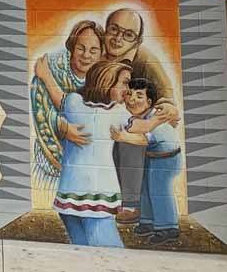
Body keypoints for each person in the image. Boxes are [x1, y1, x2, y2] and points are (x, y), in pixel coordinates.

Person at [101, 8, 178, 227]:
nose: (117, 39)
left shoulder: (145, 59)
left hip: (136, 126)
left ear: (138, 40)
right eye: (114, 30)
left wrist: (154, 118)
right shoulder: (95, 49)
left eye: (127, 35)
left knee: (129, 142)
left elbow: (167, 101)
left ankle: (132, 205)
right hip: (101, 118)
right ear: (105, 29)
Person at [52, 59, 133, 247]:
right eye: (125, 82)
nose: (128, 89)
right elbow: (143, 127)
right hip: (98, 194)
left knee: (82, 248)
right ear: (107, 80)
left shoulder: (72, 102)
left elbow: (55, 101)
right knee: (109, 251)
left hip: (68, 193)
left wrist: (45, 75)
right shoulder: (119, 112)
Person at [30, 20, 104, 189]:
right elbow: (40, 110)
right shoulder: (50, 69)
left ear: (101, 53)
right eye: (81, 48)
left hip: (89, 168)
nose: (86, 55)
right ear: (71, 47)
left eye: (93, 50)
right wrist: (62, 126)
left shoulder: (105, 78)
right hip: (49, 166)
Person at [112, 77, 183, 245]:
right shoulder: (140, 118)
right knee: (144, 188)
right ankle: (147, 221)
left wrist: (123, 136)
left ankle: (168, 227)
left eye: (139, 95)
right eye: (129, 94)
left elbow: (144, 140)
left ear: (149, 101)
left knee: (159, 191)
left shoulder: (157, 116)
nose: (132, 99)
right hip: (152, 157)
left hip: (166, 160)